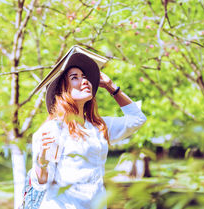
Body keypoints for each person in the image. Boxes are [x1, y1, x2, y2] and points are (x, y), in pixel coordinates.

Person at [29, 53, 146, 209]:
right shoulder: (53, 130)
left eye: (85, 77)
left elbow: (137, 119)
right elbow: (41, 183)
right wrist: (42, 162)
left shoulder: (98, 126)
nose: (85, 81)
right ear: (63, 90)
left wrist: (112, 87)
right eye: (75, 77)